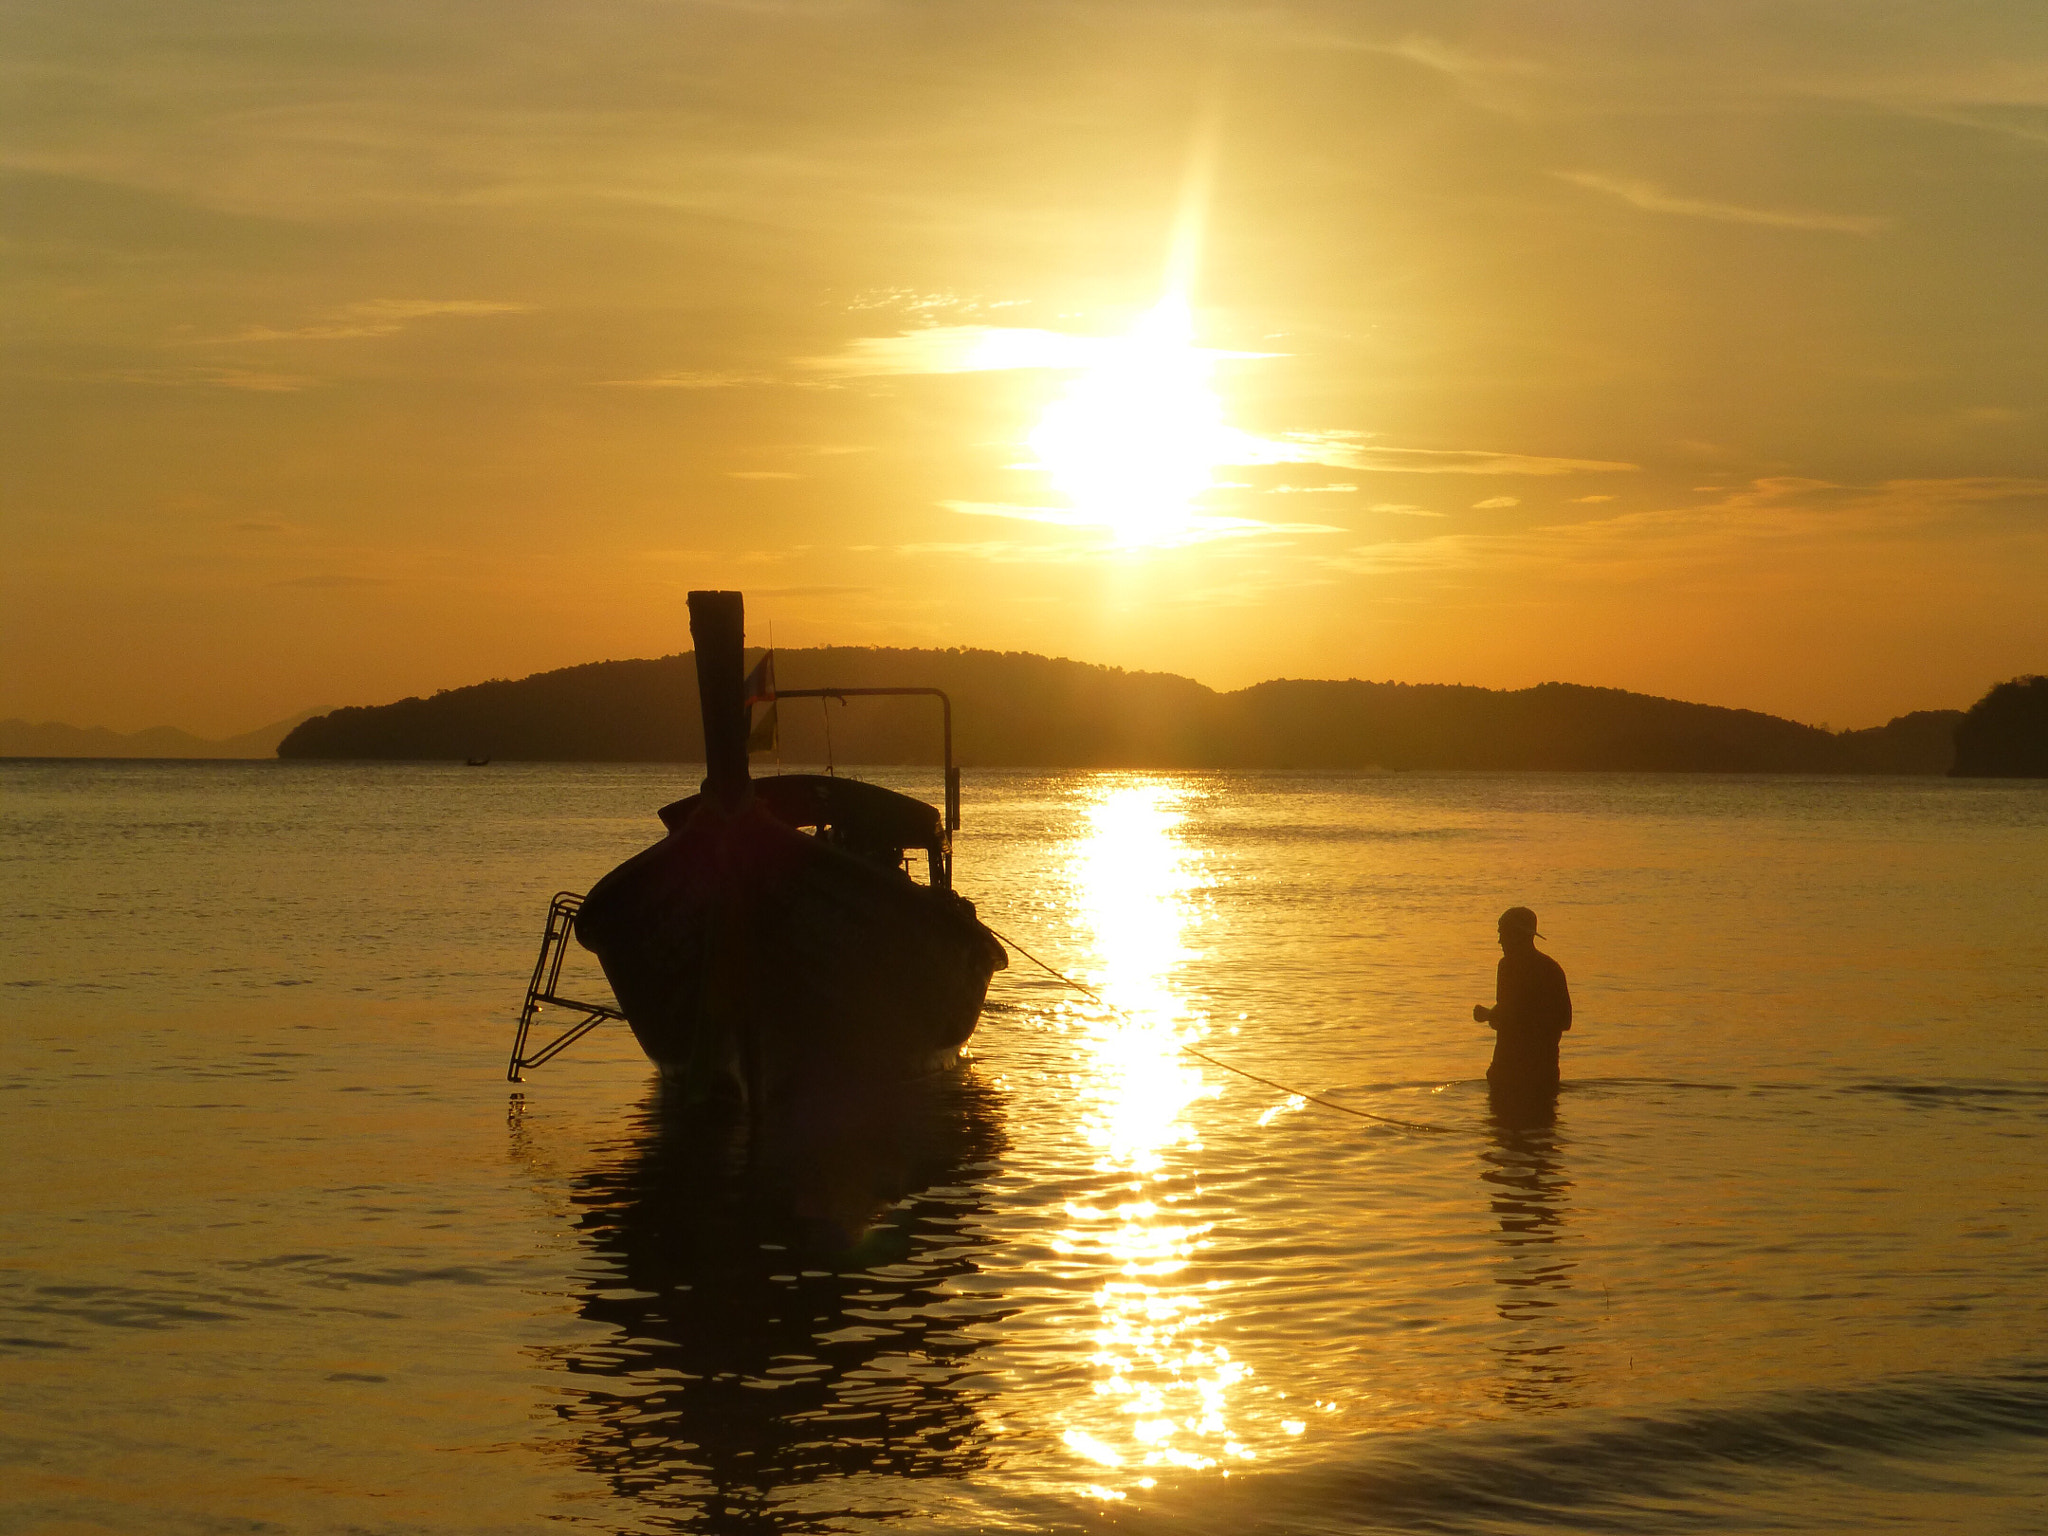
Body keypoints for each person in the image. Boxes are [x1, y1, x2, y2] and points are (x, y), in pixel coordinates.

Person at [1473, 907, 1572, 1096]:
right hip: (1544, 1074)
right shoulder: (1552, 968)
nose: (1499, 940)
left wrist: (1487, 1014)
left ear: (1517, 935)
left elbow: (1507, 1015)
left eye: (1503, 934)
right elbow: (1565, 1021)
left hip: (1509, 1072)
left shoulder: (1507, 967)